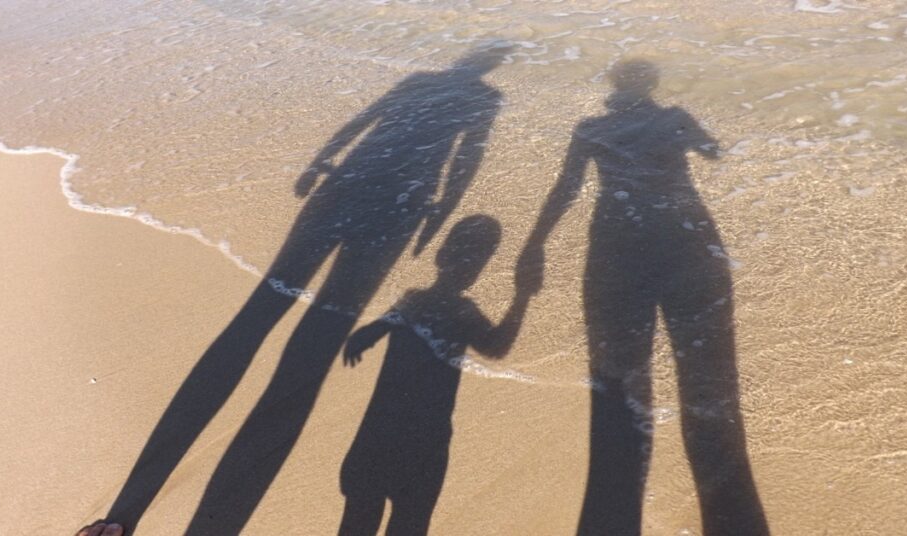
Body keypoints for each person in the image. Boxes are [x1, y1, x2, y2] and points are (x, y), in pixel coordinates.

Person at [107, 43, 510, 535]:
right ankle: (265, 430)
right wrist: (443, 209)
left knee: (262, 310)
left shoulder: (422, 81)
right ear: (492, 66)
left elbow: (368, 120)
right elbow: (468, 155)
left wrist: (322, 160)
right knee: (324, 327)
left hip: (345, 184)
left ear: (462, 58)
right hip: (400, 205)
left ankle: (162, 481)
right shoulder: (484, 100)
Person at [519, 60, 768, 535]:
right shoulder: (674, 118)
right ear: (653, 85)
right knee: (706, 371)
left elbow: (567, 188)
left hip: (618, 241)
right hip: (685, 236)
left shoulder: (591, 129)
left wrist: (536, 243)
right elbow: (714, 152)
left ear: (612, 87)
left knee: (620, 373)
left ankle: (628, 451)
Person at [337, 215, 536, 536]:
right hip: (424, 441)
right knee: (406, 522)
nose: (471, 267)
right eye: (475, 259)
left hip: (383, 432)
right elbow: (497, 346)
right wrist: (521, 297)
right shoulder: (460, 312)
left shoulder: (414, 302)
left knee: (360, 518)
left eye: (478, 259)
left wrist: (362, 336)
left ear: (441, 255)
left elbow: (371, 332)